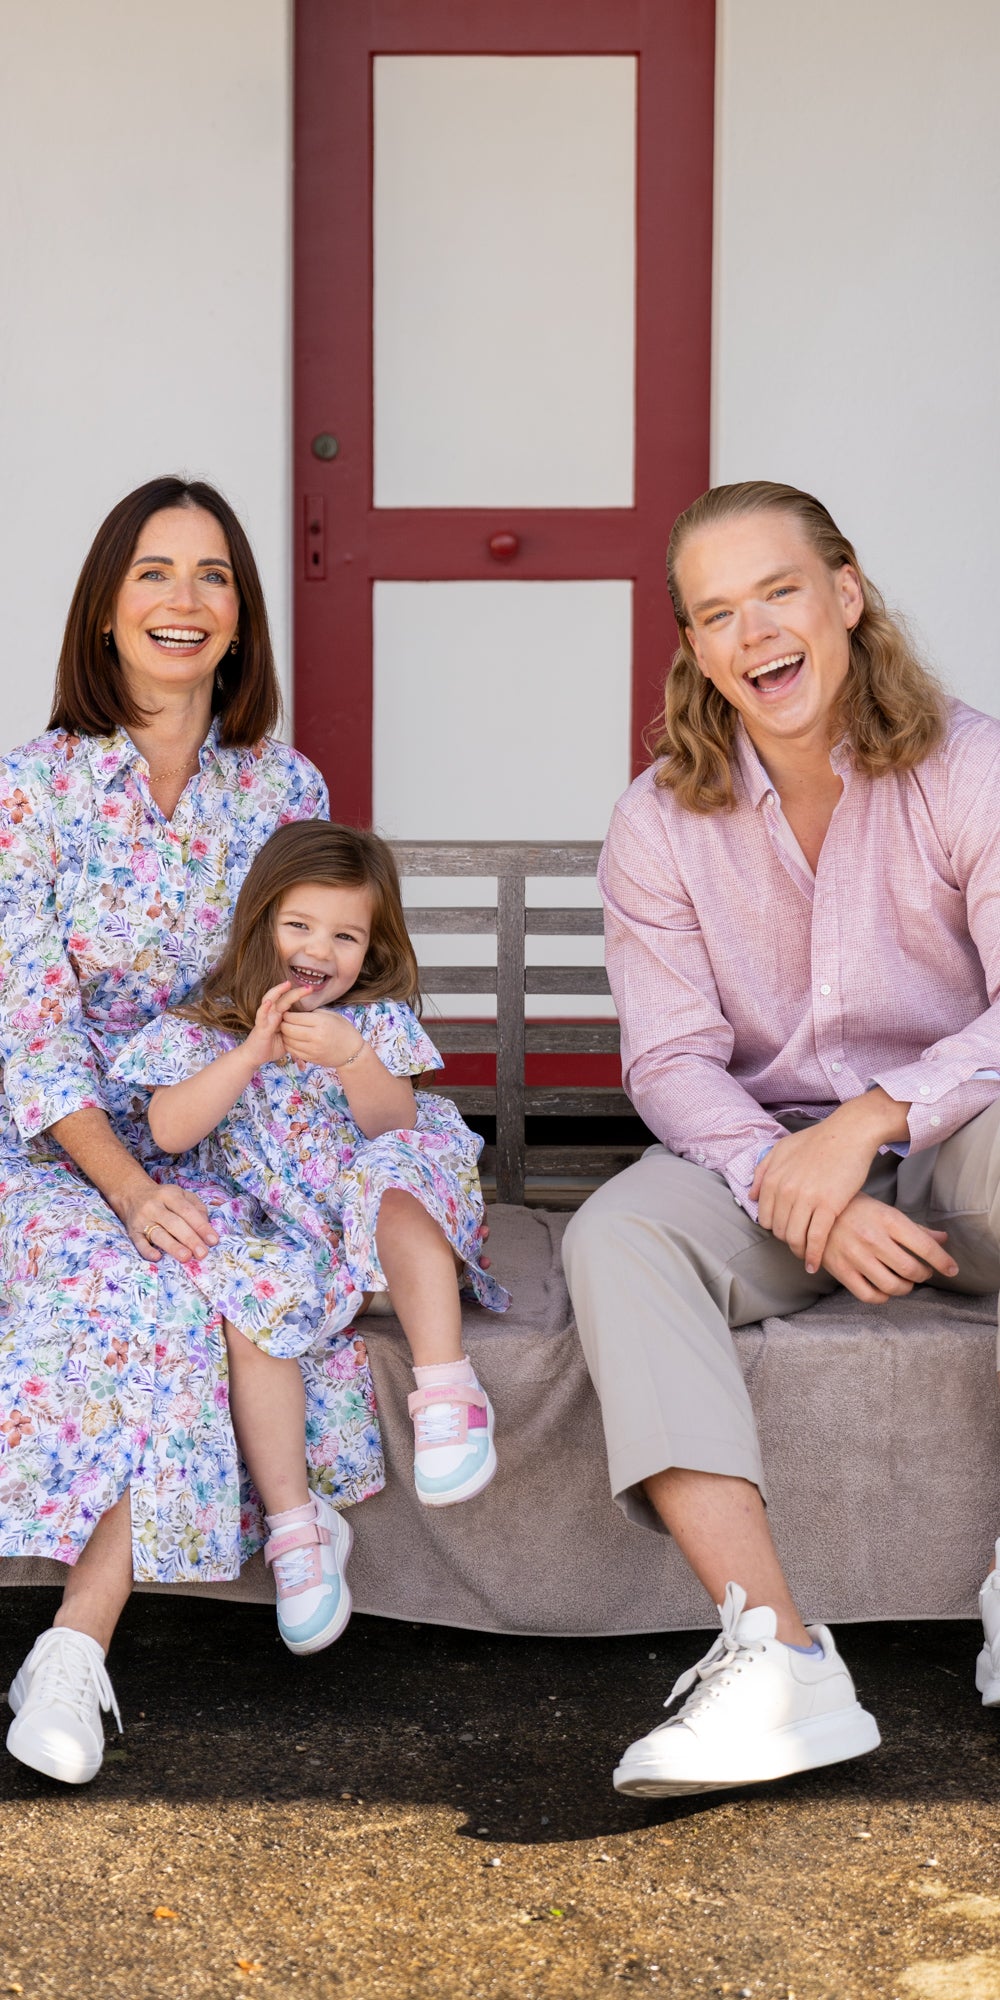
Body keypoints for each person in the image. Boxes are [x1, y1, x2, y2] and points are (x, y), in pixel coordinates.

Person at [562, 479, 1000, 1798]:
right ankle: (779, 1659)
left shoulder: (967, 766)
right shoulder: (658, 821)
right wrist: (789, 1176)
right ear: (696, 650)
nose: (753, 632)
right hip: (767, 1161)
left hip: (960, 1135)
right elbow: (671, 1061)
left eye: (778, 593)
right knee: (618, 1234)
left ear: (845, 595)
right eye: (716, 614)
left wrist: (873, 1121)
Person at [0, 475, 382, 1787]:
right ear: (105, 610)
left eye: (213, 574)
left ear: (241, 613)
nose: (185, 598)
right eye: (153, 572)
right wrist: (122, 1183)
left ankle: (74, 1646)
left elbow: (321, 971)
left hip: (234, 1124)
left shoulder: (280, 783)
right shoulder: (34, 787)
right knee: (157, 1282)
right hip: (61, 1143)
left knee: (231, 1268)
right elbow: (29, 1027)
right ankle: (78, 1648)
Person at [110, 820, 509, 1654]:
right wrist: (250, 1052)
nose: (319, 950)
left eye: (346, 935)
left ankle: (446, 1393)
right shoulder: (204, 1026)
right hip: (287, 1236)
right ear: (260, 922)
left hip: (385, 1225)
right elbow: (169, 1131)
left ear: (372, 946)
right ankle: (297, 1527)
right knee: (245, 1303)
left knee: (396, 1173)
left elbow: (395, 1127)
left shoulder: (373, 1023)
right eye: (299, 925)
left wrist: (353, 1056)